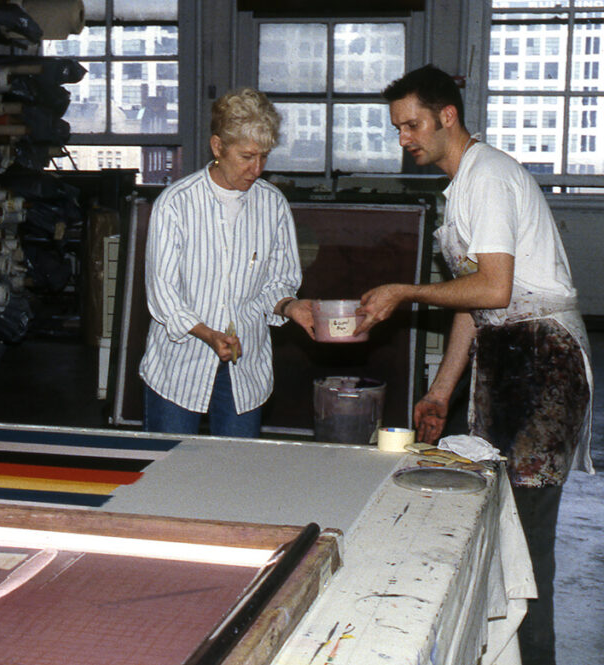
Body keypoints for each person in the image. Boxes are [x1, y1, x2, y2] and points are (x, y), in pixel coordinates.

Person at [356, 65, 592, 665]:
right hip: (508, 361)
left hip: (543, 366)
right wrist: (441, 393)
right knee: (498, 529)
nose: (403, 137)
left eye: (411, 125)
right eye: (397, 127)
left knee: (527, 545)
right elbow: (475, 298)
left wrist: (405, 292)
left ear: (447, 116)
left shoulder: (487, 176)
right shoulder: (461, 187)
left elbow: (492, 289)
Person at [139, 87, 314, 437]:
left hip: (245, 368)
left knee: (237, 475)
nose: (257, 169)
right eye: (247, 156)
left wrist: (290, 306)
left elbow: (276, 283)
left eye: (264, 157)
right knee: (168, 473)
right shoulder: (176, 204)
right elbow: (163, 293)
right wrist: (206, 333)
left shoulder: (273, 205)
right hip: (179, 365)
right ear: (218, 147)